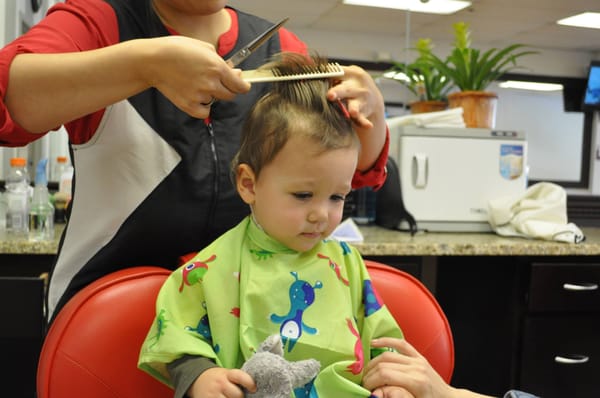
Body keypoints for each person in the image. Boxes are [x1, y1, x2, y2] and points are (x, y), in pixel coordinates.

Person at [0, 0, 389, 322]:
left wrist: (371, 114)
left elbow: (349, 170)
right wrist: (141, 65)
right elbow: (12, 102)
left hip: (249, 321)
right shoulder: (100, 22)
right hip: (109, 321)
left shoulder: (280, 47)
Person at [138, 53, 404, 398]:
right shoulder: (211, 267)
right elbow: (176, 334)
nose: (321, 214)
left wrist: (392, 382)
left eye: (337, 198)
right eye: (303, 194)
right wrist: (201, 375)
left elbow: (383, 340)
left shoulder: (347, 263)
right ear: (249, 184)